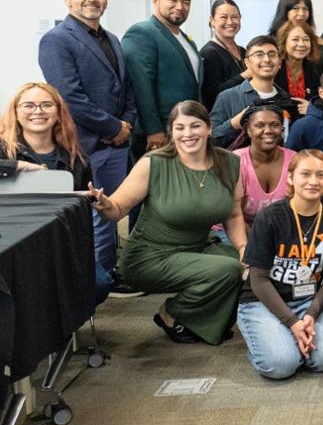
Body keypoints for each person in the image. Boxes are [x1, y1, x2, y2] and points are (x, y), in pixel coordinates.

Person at [89, 101, 246, 345]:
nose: (188, 134)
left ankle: (202, 320)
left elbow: (233, 214)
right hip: (151, 256)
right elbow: (118, 208)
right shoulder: (153, 163)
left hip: (199, 247)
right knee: (228, 270)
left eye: (195, 126)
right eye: (180, 128)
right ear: (171, 132)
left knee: (250, 265)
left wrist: (244, 249)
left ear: (209, 128)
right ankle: (173, 313)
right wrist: (106, 205)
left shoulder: (230, 163)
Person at [38, 0, 137, 295]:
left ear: (106, 0)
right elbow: (68, 95)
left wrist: (127, 124)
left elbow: (127, 89)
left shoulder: (111, 39)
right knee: (91, 217)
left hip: (116, 143)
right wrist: (112, 127)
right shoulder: (56, 40)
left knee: (108, 212)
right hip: (84, 144)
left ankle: (106, 275)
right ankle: (94, 285)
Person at [237, 150, 323, 379]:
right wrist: (291, 322)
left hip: (309, 299)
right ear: (290, 178)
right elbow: (258, 279)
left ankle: (291, 339)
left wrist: (311, 314)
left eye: (321, 175)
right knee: (281, 366)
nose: (313, 181)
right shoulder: (270, 217)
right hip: (264, 301)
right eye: (305, 174)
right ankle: (269, 340)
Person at [0, 83, 109, 302]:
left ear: (58, 113)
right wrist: (19, 166)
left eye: (46, 105)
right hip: (11, 246)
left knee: (99, 285)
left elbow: (81, 215)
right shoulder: (3, 149)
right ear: (16, 113)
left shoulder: (77, 160)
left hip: (61, 246)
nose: (38, 111)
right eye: (28, 105)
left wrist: (94, 202)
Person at [122, 0, 201, 153]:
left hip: (186, 130)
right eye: (173, 0)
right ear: (155, 0)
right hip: (161, 132)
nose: (180, 6)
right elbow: (141, 84)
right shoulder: (142, 32)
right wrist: (153, 130)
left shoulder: (186, 39)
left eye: (186, 2)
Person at [211, 36, 302, 147]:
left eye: (272, 54)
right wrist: (234, 123)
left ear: (279, 63)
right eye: (259, 55)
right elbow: (211, 140)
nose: (267, 59)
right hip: (238, 163)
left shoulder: (289, 102)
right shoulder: (227, 97)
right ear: (247, 63)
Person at [229, 103, 295, 230]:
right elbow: (233, 215)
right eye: (259, 125)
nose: (268, 131)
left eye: (275, 125)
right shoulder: (236, 161)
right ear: (248, 130)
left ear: (282, 129)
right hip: (233, 231)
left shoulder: (294, 160)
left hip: (278, 230)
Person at [199, 0, 245, 110]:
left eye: (234, 17)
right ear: (212, 20)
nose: (230, 22)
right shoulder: (209, 53)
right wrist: (244, 75)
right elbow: (211, 93)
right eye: (224, 17)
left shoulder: (243, 51)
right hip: (223, 118)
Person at [275, 20, 323, 103]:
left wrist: (312, 108)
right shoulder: (275, 68)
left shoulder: (317, 67)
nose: (302, 44)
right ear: (284, 42)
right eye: (295, 39)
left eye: (306, 40)